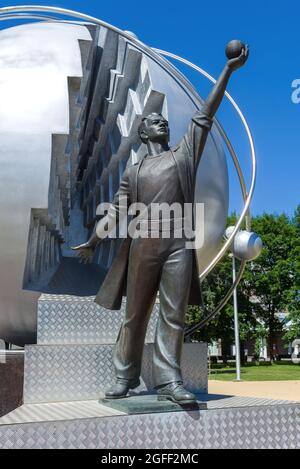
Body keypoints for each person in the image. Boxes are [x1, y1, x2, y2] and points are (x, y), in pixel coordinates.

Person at [73, 43, 249, 404]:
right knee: (135, 314)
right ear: (143, 134)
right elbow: (116, 212)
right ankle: (125, 377)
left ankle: (169, 380)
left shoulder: (183, 156)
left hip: (177, 245)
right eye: (154, 121)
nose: (162, 122)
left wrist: (227, 71)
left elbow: (204, 116)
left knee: (173, 314)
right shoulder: (134, 170)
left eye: (163, 121)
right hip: (144, 244)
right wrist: (93, 241)